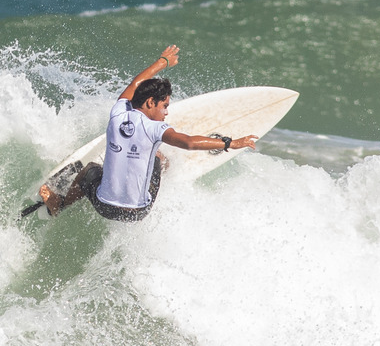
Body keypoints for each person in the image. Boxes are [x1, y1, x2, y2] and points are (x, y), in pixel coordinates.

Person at [35, 45, 258, 222]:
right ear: (151, 102)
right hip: (138, 212)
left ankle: (61, 205)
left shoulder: (117, 112)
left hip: (104, 206)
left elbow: (136, 83)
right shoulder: (155, 128)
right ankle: (163, 168)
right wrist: (230, 143)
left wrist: (163, 62)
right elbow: (189, 143)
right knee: (159, 158)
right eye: (164, 106)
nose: (166, 112)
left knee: (90, 170)